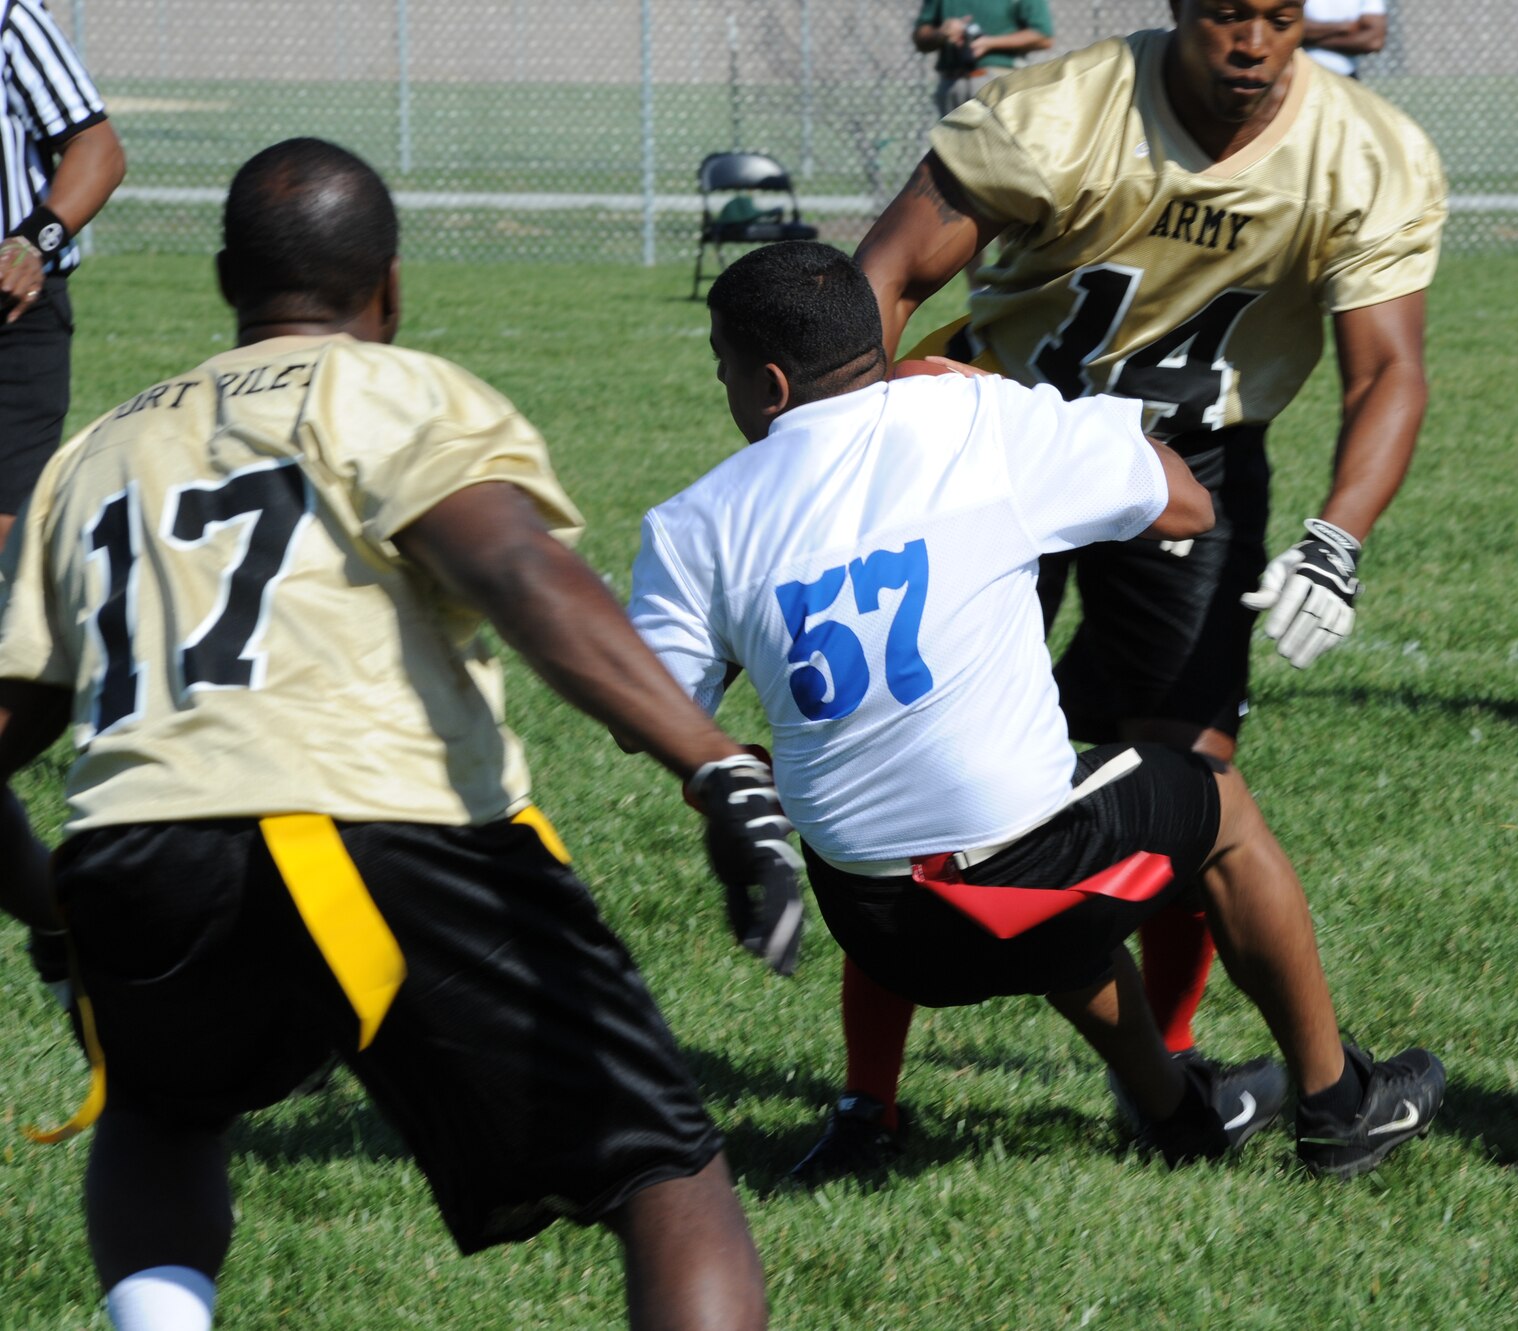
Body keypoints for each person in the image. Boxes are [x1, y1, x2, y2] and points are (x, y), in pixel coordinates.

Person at [0, 138, 796, 1331]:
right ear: (389, 284)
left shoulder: (97, 451)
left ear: (227, 278)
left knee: (162, 1108)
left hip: (136, 842)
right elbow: (517, 568)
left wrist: (57, 913)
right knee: (664, 1170)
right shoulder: (397, 389)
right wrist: (715, 763)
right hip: (374, 823)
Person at [629, 240, 1445, 1184]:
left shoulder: (690, 524)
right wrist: (1026, 409)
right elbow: (1187, 509)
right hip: (1025, 876)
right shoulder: (972, 412)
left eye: (721, 367)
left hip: (877, 925)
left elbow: (649, 714)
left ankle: (1174, 1112)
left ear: (767, 384)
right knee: (1214, 804)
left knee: (1003, 823)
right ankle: (1339, 1102)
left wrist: (748, 779)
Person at [805, 0, 1445, 1181]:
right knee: (917, 771)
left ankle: (1172, 1073)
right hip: (997, 434)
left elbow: (1389, 368)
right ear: (1176, 9)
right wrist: (859, 459)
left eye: (1277, 15)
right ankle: (868, 1106)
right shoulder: (1056, 112)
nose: (1250, 43)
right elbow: (882, 277)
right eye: (1224, 13)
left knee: (1189, 775)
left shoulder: (1363, 152)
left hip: (1188, 465)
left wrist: (1336, 534)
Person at [0, 0, 125, 550]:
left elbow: (97, 149)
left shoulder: (11, 19)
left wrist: (31, 242)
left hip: (11, 316)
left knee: (7, 534)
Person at [912, 0, 1053, 118]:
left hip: (999, 80)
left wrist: (989, 42)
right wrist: (942, 32)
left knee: (998, 147)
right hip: (952, 83)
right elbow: (921, 36)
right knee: (954, 150)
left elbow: (1043, 36)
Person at [1301, 0, 1386, 79]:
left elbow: (1373, 41)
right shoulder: (1346, 26)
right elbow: (1293, 26)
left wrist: (1309, 41)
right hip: (1301, 74)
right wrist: (1344, 27)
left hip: (1347, 76)